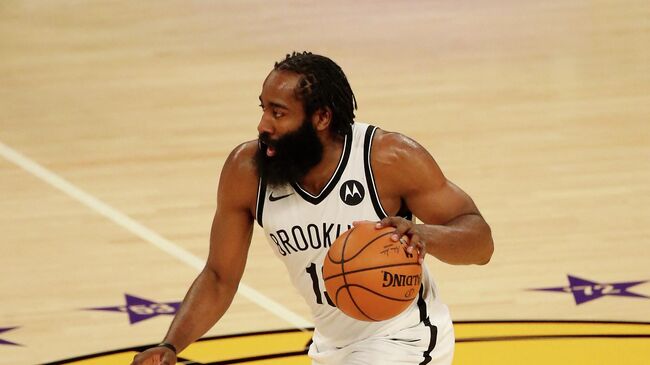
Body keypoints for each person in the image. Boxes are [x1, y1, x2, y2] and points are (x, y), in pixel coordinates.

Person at [130, 51, 493, 365]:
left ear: (321, 118)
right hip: (331, 344)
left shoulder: (388, 158)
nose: (263, 125)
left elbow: (480, 241)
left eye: (279, 113)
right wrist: (170, 343)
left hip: (404, 338)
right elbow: (219, 277)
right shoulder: (246, 171)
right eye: (263, 109)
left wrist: (426, 235)